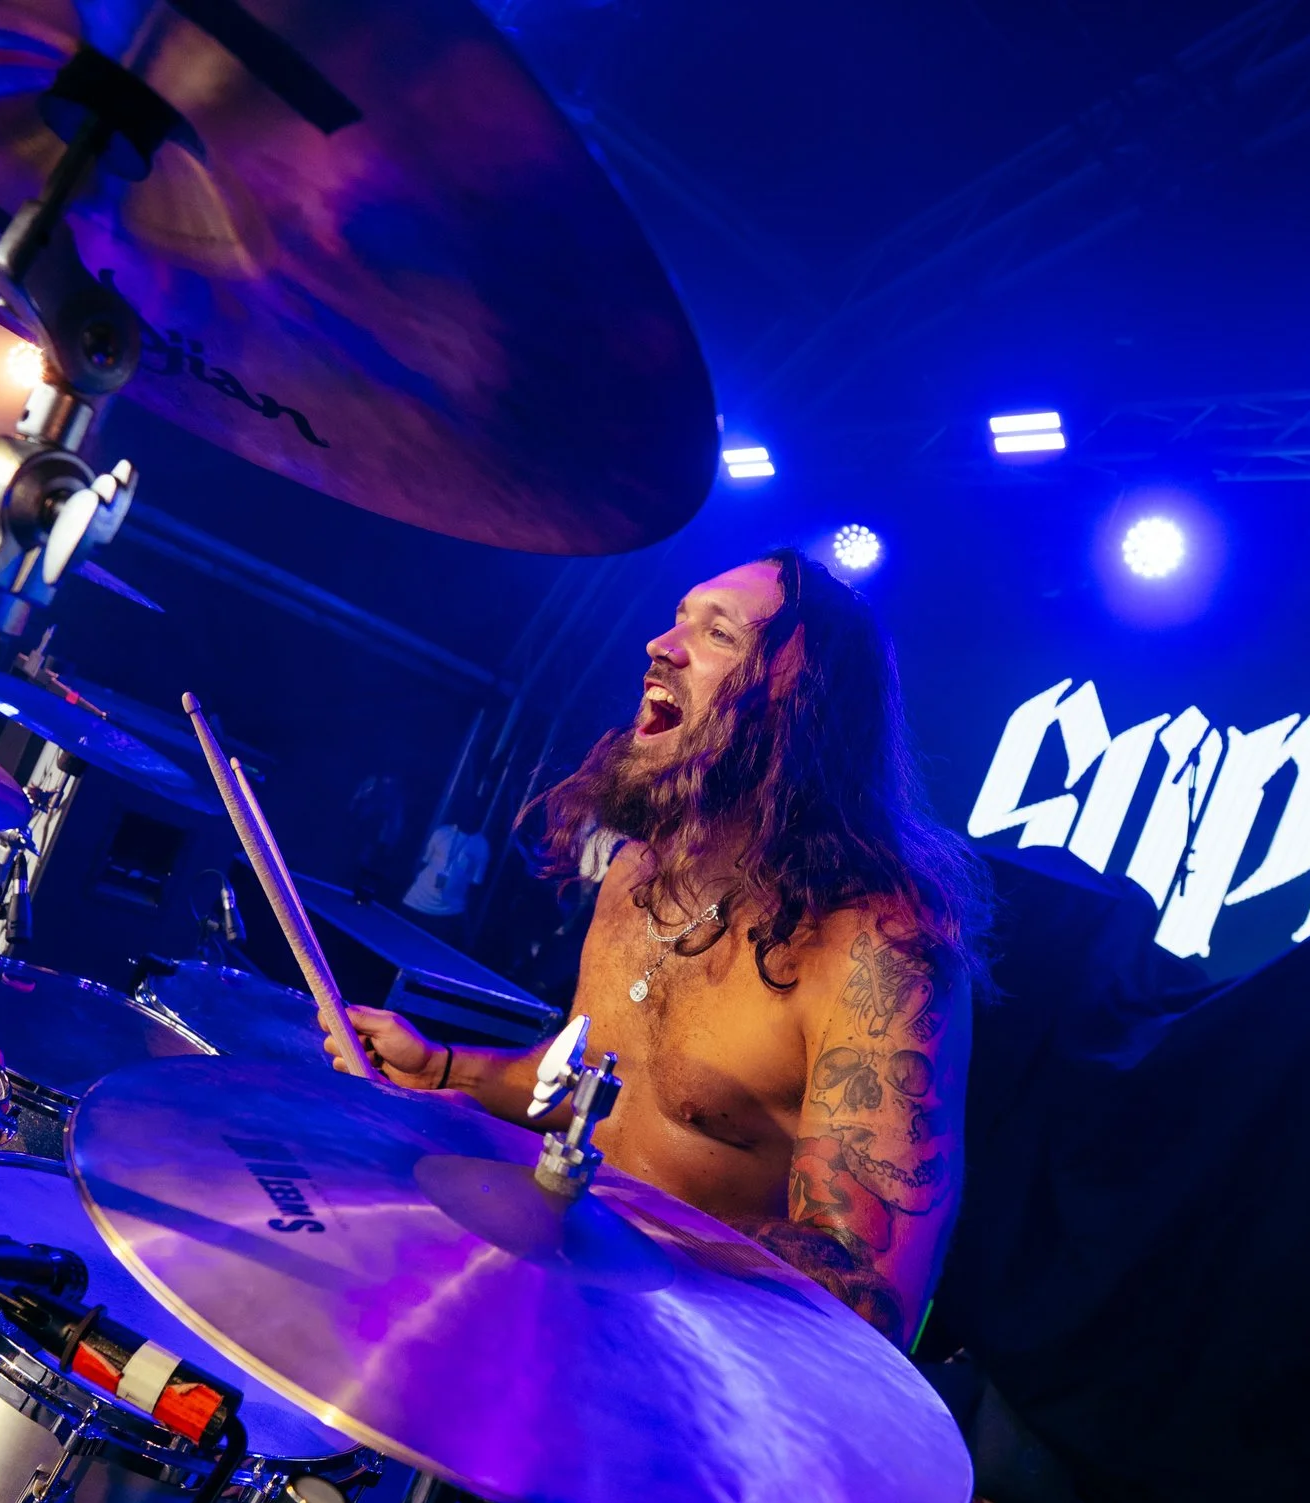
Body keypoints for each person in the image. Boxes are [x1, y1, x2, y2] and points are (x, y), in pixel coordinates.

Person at [325, 547, 979, 1345]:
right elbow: (599, 1079)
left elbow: (866, 1292)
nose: (659, 646)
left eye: (718, 635)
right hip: (558, 1307)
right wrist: (447, 1068)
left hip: (695, 1379)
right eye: (676, 618)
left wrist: (606, 1224)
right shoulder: (637, 874)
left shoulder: (874, 945)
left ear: (797, 704)